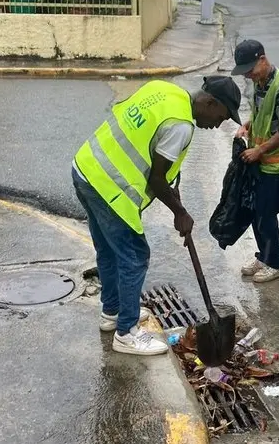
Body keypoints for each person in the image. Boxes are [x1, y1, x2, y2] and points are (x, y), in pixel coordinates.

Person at [71, 76, 241, 356]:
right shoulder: (182, 126)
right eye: (221, 117)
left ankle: (112, 312)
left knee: (109, 250)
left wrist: (175, 189)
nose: (217, 125)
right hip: (109, 187)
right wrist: (180, 213)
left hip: (86, 167)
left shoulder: (165, 90)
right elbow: (156, 179)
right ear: (210, 103)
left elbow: (142, 133)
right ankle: (126, 333)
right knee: (135, 257)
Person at [231, 39, 279, 283]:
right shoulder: (260, 82)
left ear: (262, 59)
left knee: (264, 213)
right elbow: (263, 114)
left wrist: (259, 151)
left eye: (250, 69)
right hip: (263, 163)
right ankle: (264, 256)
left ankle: (276, 263)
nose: (248, 75)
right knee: (254, 211)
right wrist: (248, 125)